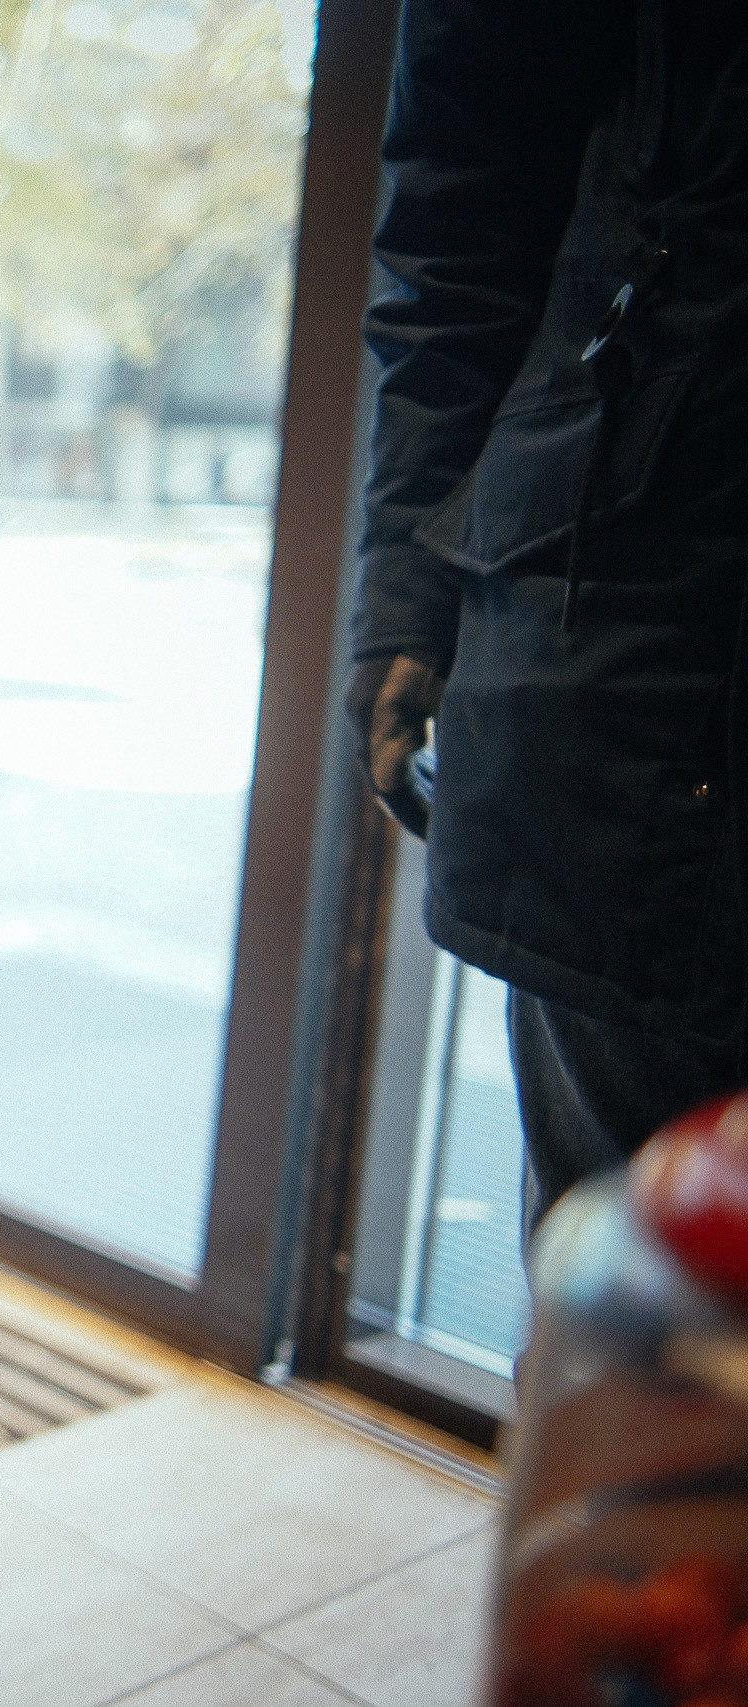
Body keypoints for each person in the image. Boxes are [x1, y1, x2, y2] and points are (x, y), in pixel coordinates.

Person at [348, 0, 748, 1234]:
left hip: (623, 607)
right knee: (633, 1324)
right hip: (641, 618)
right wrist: (409, 589)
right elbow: (462, 212)